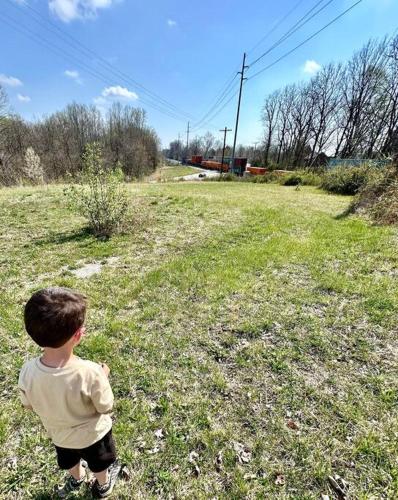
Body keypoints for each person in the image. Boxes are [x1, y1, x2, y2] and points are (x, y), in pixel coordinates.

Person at [18, 287, 120, 498]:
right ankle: (103, 485)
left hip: (60, 436)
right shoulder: (91, 372)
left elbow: (27, 404)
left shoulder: (27, 371)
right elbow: (105, 406)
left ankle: (77, 477)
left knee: (69, 461)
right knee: (99, 464)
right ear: (78, 335)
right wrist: (104, 376)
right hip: (94, 436)